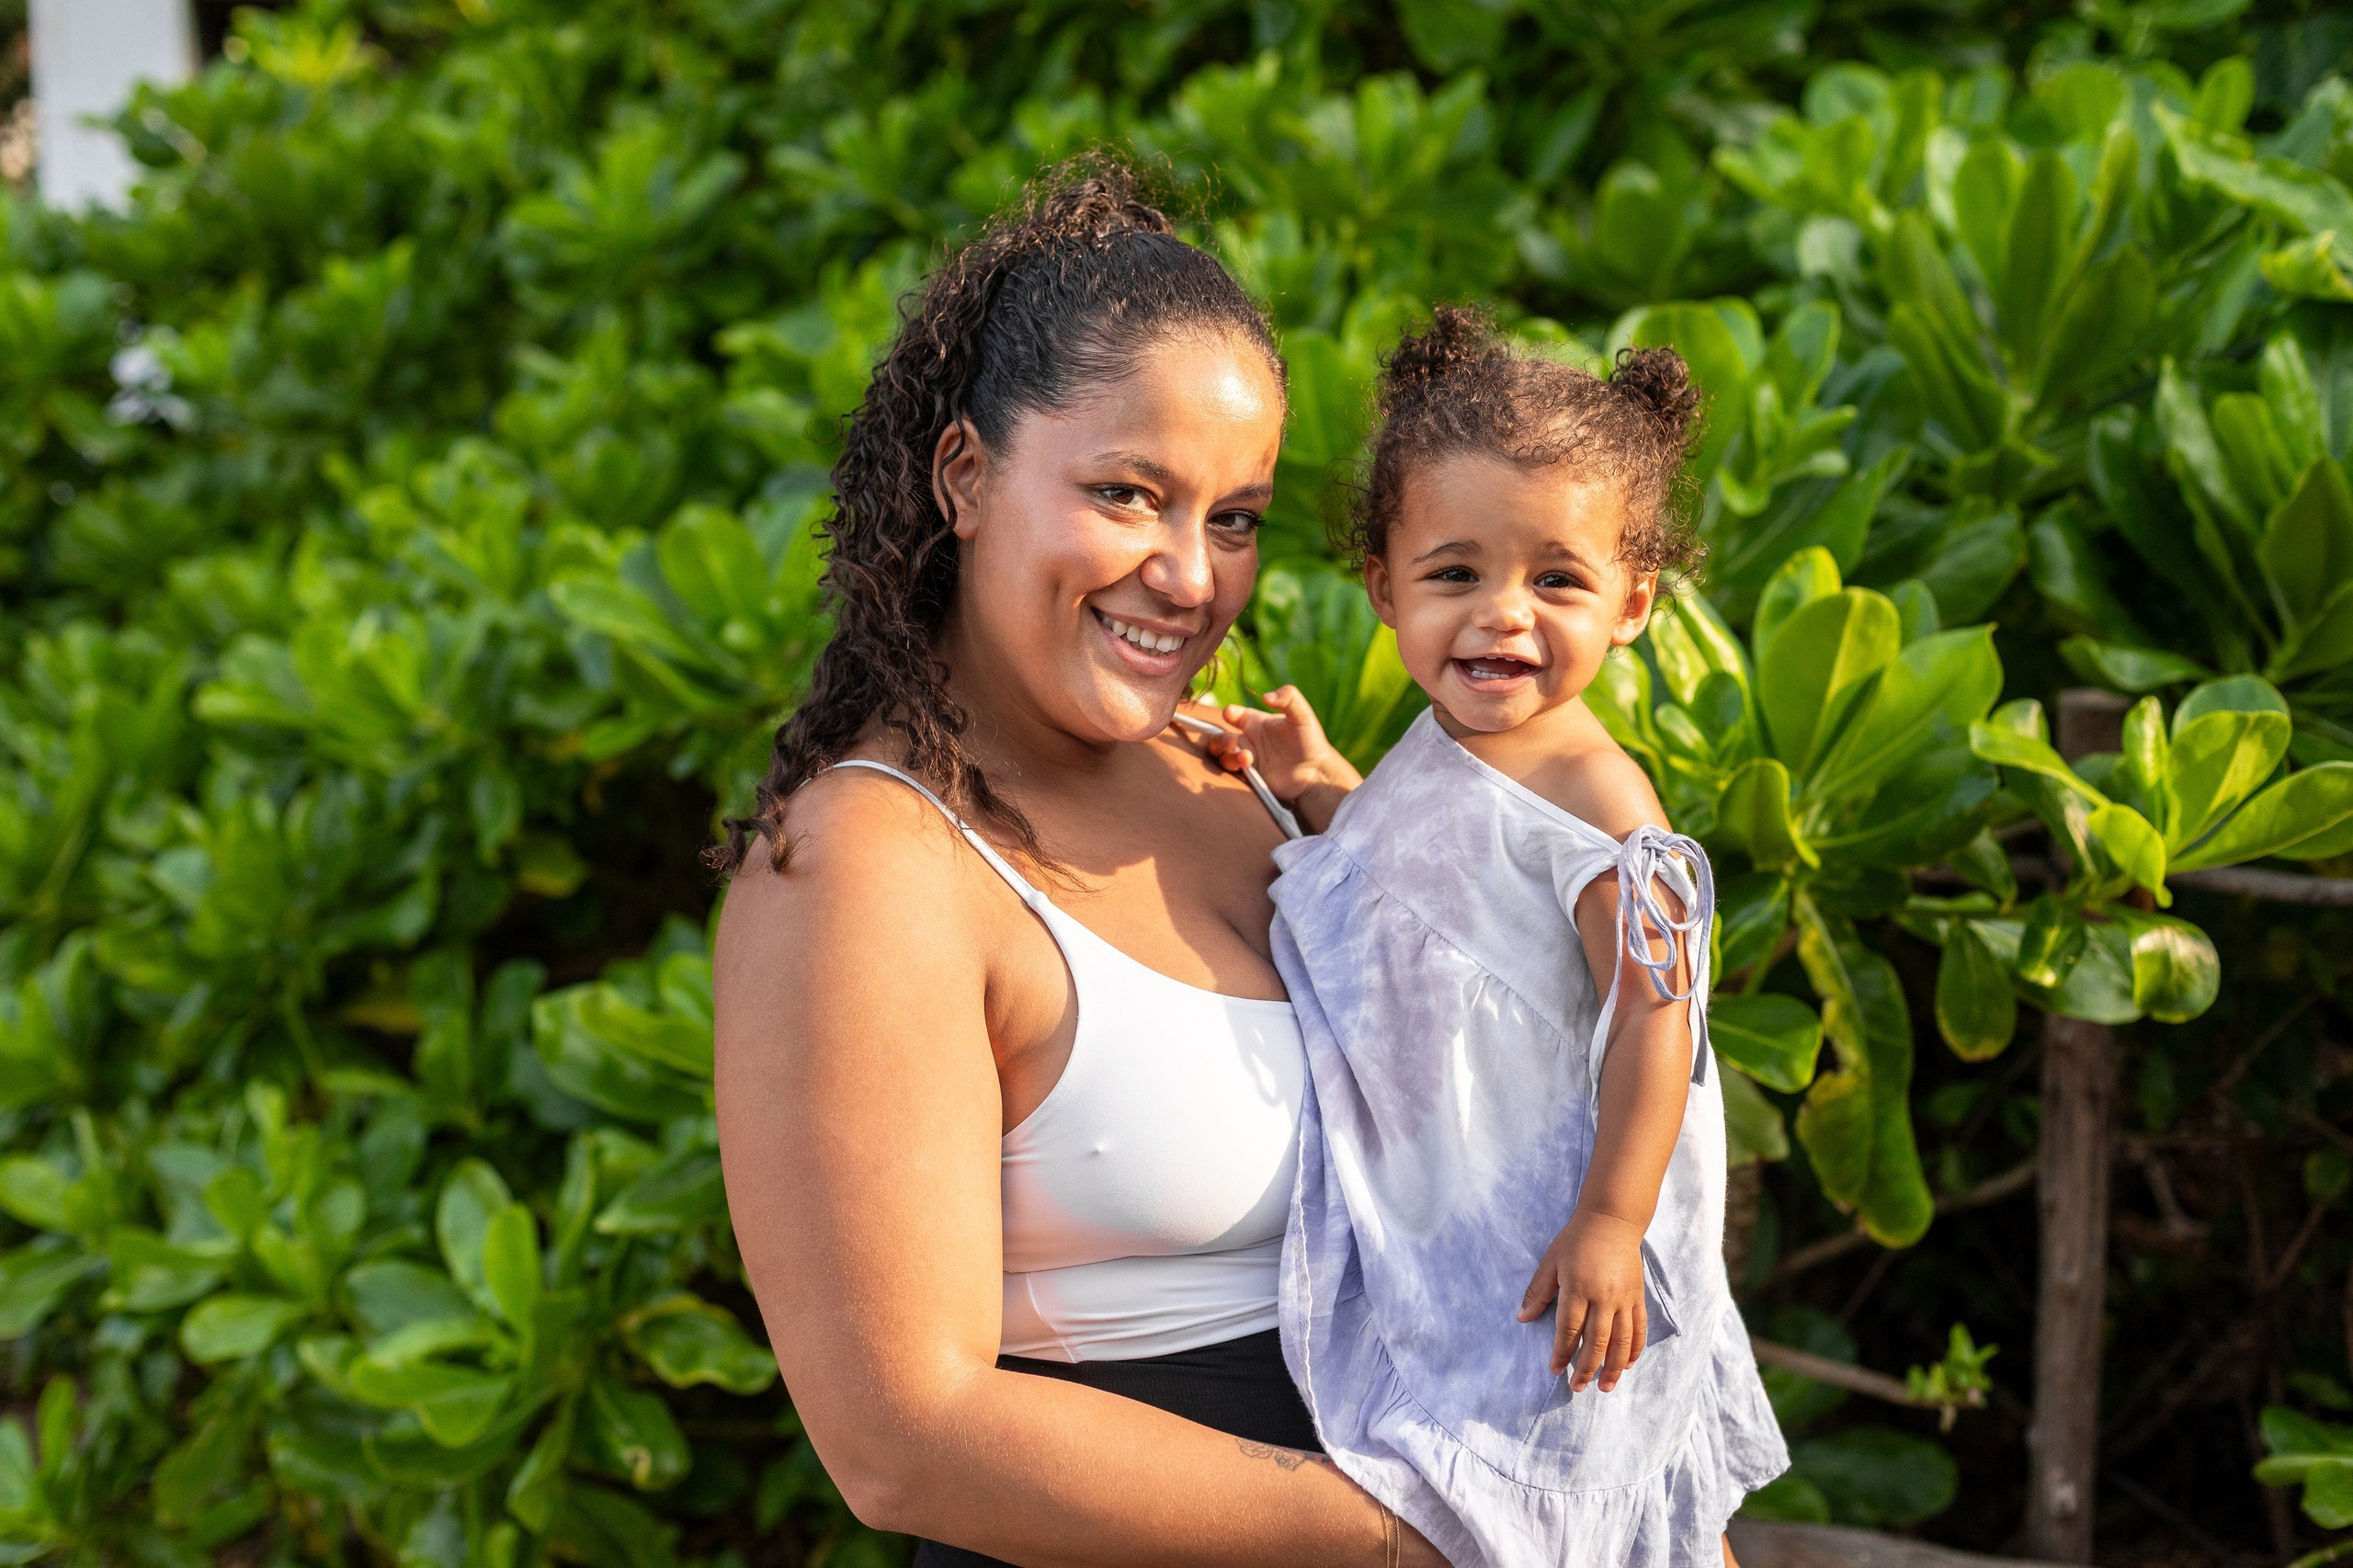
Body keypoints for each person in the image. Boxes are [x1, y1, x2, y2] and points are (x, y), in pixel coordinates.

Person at [710, 158, 1439, 1568]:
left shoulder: (1243, 785)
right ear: (966, 476)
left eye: (1234, 517)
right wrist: (1420, 1532)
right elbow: (901, 1435)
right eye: (1127, 492)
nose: (1188, 573)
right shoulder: (870, 867)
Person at [1199, 309, 1789, 1568]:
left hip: (1551, 1235)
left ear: (1633, 601)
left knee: (1579, 1481)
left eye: (1556, 579)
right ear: (1385, 586)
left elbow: (1658, 1015)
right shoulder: (1450, 744)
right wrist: (1317, 785)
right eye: (1456, 574)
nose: (1501, 618)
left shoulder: (1600, 800)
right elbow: (1427, 881)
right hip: (1451, 1221)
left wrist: (1611, 1222)